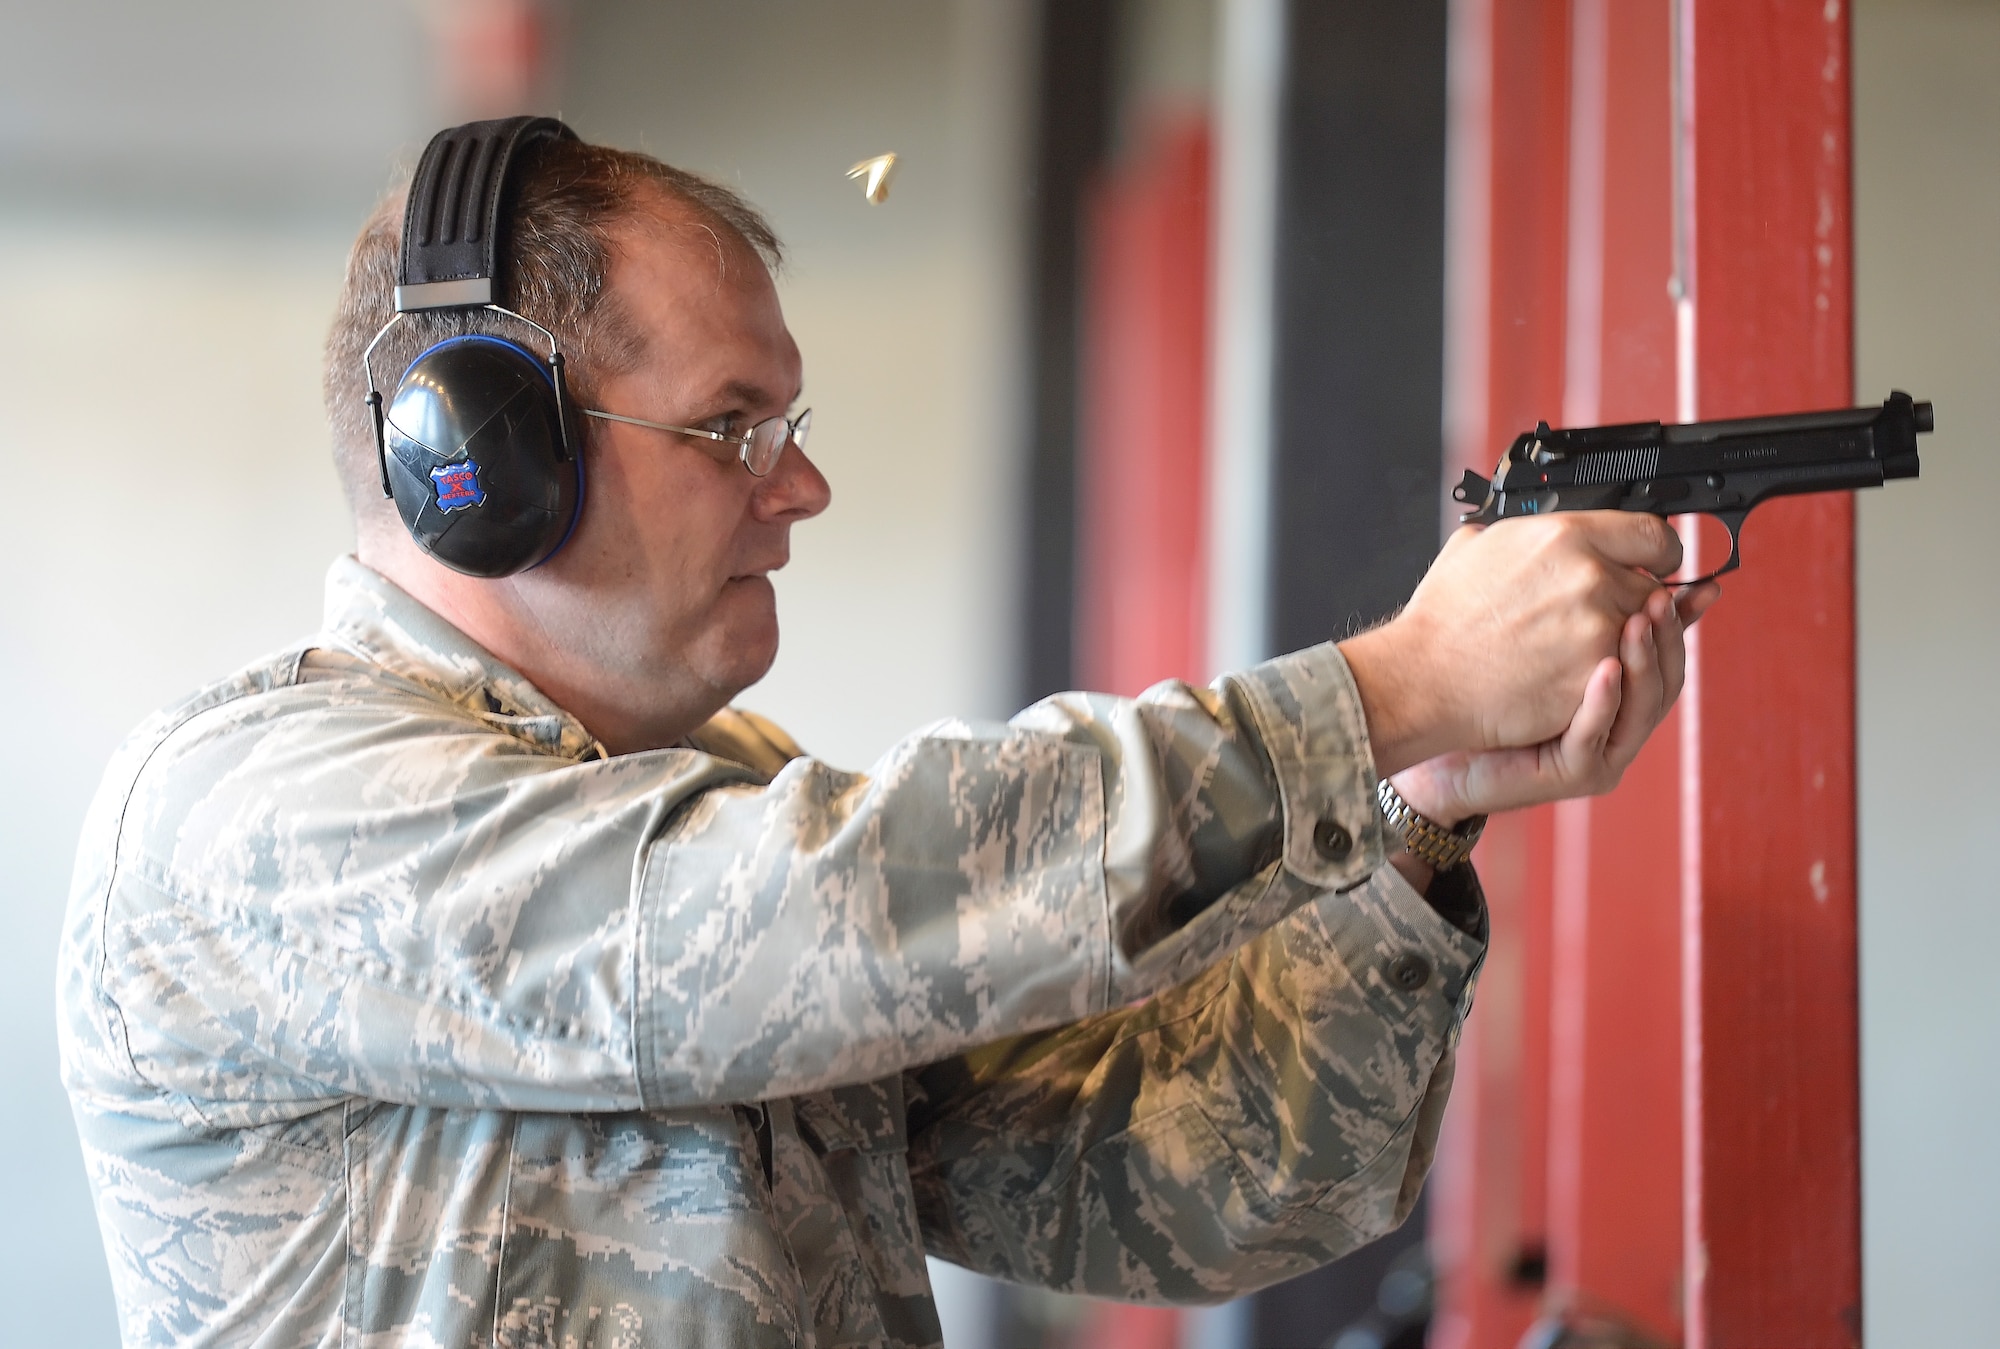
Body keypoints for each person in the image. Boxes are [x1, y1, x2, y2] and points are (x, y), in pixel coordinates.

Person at [59, 130, 1713, 1349]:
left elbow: (1216, 1176)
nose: (799, 486)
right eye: (732, 428)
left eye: (789, 425)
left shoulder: (726, 796)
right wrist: (1386, 688)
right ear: (485, 463)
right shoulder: (241, 818)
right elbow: (768, 926)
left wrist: (1415, 818)